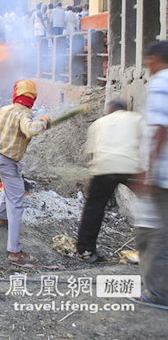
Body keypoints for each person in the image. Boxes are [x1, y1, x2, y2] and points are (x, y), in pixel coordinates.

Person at [0, 80, 51, 265]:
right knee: (16, 202)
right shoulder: (24, 115)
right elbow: (30, 130)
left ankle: (1, 218)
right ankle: (15, 252)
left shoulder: (5, 109)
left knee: (10, 188)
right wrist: (44, 121)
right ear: (32, 98)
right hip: (7, 161)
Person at [76, 100, 144, 263]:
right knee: (153, 204)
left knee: (94, 207)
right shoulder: (136, 118)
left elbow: (92, 151)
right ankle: (154, 249)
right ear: (124, 109)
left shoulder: (98, 124)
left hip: (104, 168)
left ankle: (86, 250)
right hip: (130, 166)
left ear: (110, 110)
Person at [133, 40, 168, 304]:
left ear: (156, 58)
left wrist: (149, 171)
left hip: (161, 173)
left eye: (147, 58)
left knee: (155, 233)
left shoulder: (161, 83)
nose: (146, 64)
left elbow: (160, 128)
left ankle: (157, 292)